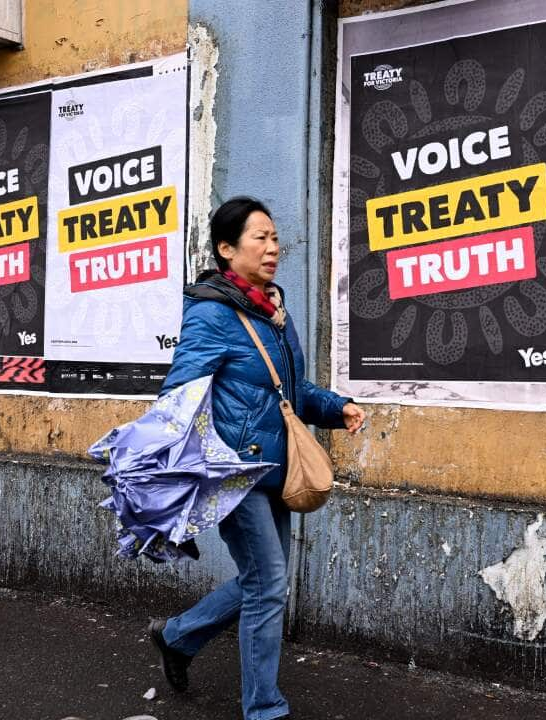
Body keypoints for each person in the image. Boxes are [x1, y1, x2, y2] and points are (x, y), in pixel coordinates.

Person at [147, 196, 365, 720]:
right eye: (259, 238)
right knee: (268, 585)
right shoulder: (211, 313)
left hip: (277, 469)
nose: (272, 249)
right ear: (227, 249)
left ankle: (177, 637)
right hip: (233, 472)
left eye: (274, 238)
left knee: (260, 581)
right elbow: (180, 390)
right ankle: (264, 709)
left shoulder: (273, 311)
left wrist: (338, 408)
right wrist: (177, 467)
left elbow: (287, 390)